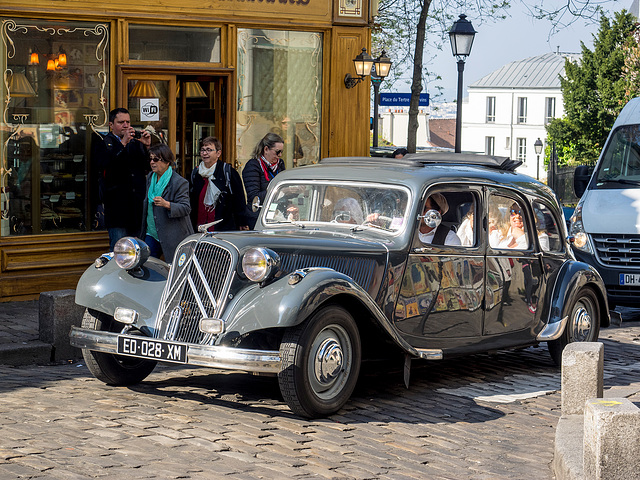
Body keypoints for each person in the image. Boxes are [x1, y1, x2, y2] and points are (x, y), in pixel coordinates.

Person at [93, 107, 151, 250]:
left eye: (128, 122)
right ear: (111, 125)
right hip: (117, 210)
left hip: (137, 209)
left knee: (139, 252)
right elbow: (105, 165)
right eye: (121, 122)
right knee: (119, 251)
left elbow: (148, 168)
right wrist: (122, 144)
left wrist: (147, 146)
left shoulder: (136, 143)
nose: (126, 125)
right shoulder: (103, 143)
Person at [140, 144, 193, 262]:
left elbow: (186, 208)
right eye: (150, 159)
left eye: (156, 159)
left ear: (167, 161)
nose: (152, 162)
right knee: (149, 267)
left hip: (172, 235)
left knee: (175, 270)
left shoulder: (179, 182)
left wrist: (167, 204)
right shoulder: (150, 177)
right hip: (151, 233)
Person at [190, 136, 248, 232]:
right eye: (202, 150)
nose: (204, 153)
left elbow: (239, 199)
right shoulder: (196, 173)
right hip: (200, 228)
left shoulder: (228, 172)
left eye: (209, 150)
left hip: (223, 228)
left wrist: (242, 222)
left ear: (218, 153)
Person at [242, 132, 285, 229]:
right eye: (277, 152)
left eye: (282, 152)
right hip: (258, 217)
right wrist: (280, 191)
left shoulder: (280, 164)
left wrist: (293, 192)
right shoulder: (252, 166)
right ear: (266, 149)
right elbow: (254, 197)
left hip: (277, 214)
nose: (280, 155)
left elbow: (283, 190)